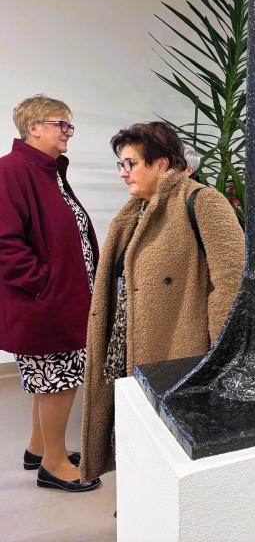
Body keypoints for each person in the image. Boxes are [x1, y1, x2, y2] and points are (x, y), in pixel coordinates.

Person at [80, 122, 245, 482]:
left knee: (172, 448)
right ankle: (138, 500)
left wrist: (218, 356)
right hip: (127, 348)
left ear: (162, 163)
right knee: (135, 435)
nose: (123, 173)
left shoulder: (202, 201)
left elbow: (231, 283)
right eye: (121, 164)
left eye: (131, 163)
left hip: (178, 353)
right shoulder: (135, 211)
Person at [0, 95, 101, 492]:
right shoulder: (11, 171)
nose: (68, 132)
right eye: (62, 124)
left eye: (69, 125)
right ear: (34, 127)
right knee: (60, 380)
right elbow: (5, 244)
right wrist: (45, 285)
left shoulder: (48, 171)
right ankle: (54, 466)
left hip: (59, 298)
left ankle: (39, 448)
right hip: (45, 302)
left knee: (49, 380)